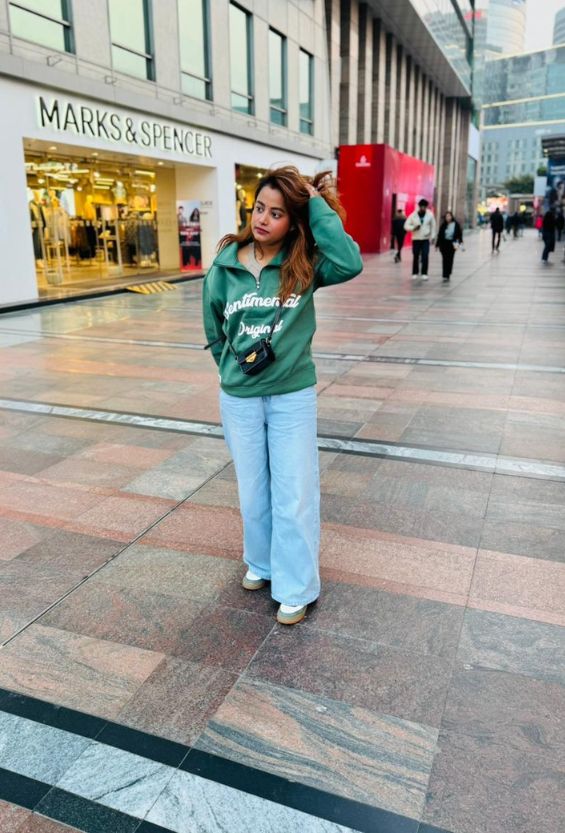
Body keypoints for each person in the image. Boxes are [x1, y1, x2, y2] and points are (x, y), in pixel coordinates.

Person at [203, 166, 363, 625]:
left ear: (293, 222)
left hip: (291, 395)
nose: (263, 219)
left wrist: (314, 204)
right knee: (253, 492)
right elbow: (214, 329)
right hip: (240, 397)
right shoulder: (226, 262)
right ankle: (262, 564)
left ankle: (295, 587)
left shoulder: (305, 264)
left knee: (293, 491)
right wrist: (235, 373)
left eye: (277, 213)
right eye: (259, 209)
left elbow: (350, 262)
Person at [404, 198, 437, 280]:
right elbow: (406, 226)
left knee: (425, 255)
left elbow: (433, 226)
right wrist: (413, 228)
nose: (423, 208)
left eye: (424, 207)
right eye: (421, 206)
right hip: (416, 239)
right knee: (415, 255)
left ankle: (424, 273)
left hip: (425, 239)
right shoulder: (413, 215)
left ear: (426, 207)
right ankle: (415, 273)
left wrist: (432, 237)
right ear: (419, 207)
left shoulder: (430, 215)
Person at [436, 210, 463, 282]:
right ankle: (445, 274)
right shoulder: (443, 225)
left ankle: (449, 272)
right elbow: (439, 235)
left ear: (451, 217)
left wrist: (460, 244)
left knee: (450, 259)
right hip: (444, 244)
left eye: (449, 216)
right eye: (446, 216)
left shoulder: (456, 224)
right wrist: (437, 245)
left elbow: (459, 235)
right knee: (444, 259)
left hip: (453, 244)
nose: (448, 218)